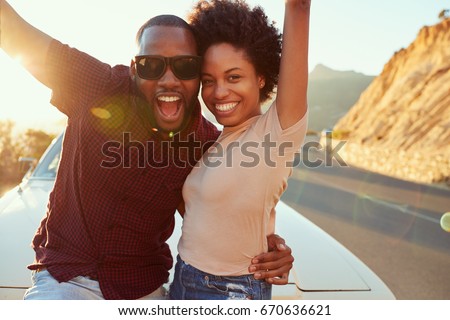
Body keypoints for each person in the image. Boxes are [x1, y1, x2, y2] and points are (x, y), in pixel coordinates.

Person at [0, 1, 293, 300]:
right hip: (67, 281)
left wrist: (271, 247)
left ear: (198, 74)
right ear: (134, 69)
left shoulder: (206, 144)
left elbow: (216, 213)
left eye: (185, 66)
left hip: (144, 288)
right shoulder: (96, 86)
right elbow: (11, 29)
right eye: (151, 66)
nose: (168, 80)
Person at [169, 0, 310, 300]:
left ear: (261, 77)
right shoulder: (215, 141)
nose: (219, 92)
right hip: (182, 279)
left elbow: (299, 9)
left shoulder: (276, 132)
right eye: (209, 81)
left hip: (229, 292)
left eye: (234, 77)